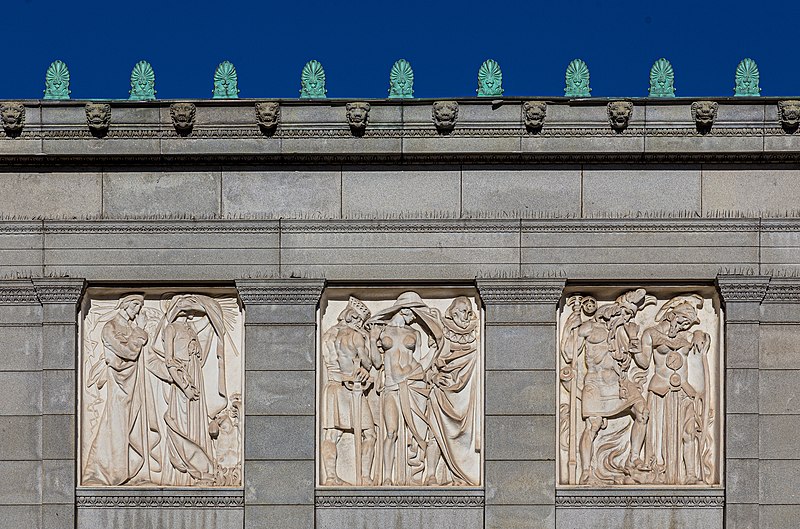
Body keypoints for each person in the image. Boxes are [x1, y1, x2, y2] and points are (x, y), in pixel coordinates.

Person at [569, 289, 655, 484]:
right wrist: (571, 328)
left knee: (643, 412)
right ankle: (585, 471)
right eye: (625, 313)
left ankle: (634, 458)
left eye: (630, 315)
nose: (627, 318)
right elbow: (568, 354)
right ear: (614, 311)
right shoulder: (590, 327)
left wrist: (634, 340)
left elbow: (643, 363)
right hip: (596, 384)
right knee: (593, 425)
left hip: (619, 383)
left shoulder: (626, 332)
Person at [148, 294, 230, 486]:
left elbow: (210, 319)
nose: (190, 314)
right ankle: (189, 472)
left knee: (196, 422)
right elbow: (169, 360)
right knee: (182, 422)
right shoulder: (171, 329)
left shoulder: (190, 328)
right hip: (183, 380)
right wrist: (184, 387)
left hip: (195, 377)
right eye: (186, 310)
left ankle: (204, 472)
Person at [367, 291, 444, 486]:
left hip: (414, 383)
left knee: (420, 431)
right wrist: (372, 339)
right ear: (404, 309)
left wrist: (434, 350)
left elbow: (419, 361)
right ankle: (386, 477)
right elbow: (376, 362)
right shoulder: (383, 331)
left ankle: (426, 474)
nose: (415, 317)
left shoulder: (415, 333)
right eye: (414, 312)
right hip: (392, 386)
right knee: (391, 432)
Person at [83, 294, 160, 486]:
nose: (138, 310)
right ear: (124, 305)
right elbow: (128, 352)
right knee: (116, 426)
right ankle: (105, 473)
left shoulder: (131, 327)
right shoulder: (110, 327)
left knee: (134, 425)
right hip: (119, 386)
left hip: (135, 384)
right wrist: (141, 331)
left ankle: (135, 473)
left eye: (139, 306)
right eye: (135, 305)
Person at [636, 295, 711, 485]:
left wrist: (700, 335)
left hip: (684, 391)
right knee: (659, 438)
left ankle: (691, 475)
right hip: (660, 391)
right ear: (671, 315)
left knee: (689, 433)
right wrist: (633, 348)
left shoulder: (686, 337)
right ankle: (659, 472)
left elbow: (700, 347)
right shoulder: (650, 334)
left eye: (687, 324)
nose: (685, 326)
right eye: (682, 320)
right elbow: (644, 363)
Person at [320, 296, 377, 485]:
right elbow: (368, 363)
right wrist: (370, 338)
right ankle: (366, 477)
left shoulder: (327, 334)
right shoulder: (355, 336)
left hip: (331, 387)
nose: (361, 324)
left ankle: (330, 477)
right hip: (351, 389)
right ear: (353, 317)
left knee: (331, 435)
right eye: (360, 319)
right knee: (370, 434)